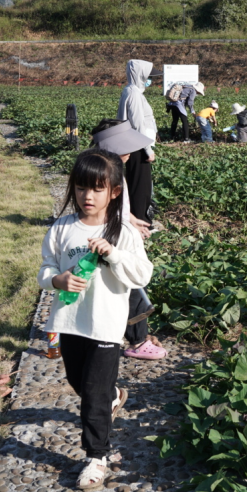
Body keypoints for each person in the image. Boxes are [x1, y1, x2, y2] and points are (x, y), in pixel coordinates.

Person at [37, 149, 153, 491]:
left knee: (91, 392)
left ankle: (96, 456)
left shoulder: (123, 233)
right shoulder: (62, 228)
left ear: (114, 192)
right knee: (79, 381)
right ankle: (113, 395)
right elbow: (46, 268)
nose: (88, 196)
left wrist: (113, 253)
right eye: (82, 188)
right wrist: (57, 280)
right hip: (70, 321)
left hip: (106, 324)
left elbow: (142, 274)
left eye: (98, 188)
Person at [89, 120, 167, 361]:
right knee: (132, 286)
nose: (129, 153)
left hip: (118, 234)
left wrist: (131, 219)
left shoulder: (109, 168)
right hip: (110, 238)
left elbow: (118, 205)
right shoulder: (101, 174)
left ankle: (97, 332)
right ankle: (137, 340)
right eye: (124, 148)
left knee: (121, 285)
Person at [116, 60, 158, 225]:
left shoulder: (131, 91)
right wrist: (147, 149)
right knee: (141, 185)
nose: (151, 80)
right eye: (148, 76)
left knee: (137, 183)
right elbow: (138, 123)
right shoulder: (133, 93)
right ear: (140, 75)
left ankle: (135, 217)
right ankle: (141, 220)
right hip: (137, 145)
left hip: (134, 143)